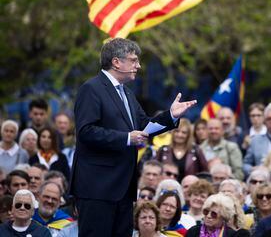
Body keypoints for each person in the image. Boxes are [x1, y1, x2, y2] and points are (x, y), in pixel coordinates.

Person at [71, 38, 196, 237]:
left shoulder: (126, 93)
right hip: (97, 189)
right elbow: (86, 131)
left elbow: (144, 125)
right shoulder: (91, 89)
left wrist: (171, 115)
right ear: (116, 62)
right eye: (133, 60)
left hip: (123, 189)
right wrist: (126, 138)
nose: (138, 65)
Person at [243, 102, 271, 175]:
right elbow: (245, 165)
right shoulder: (255, 141)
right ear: (265, 121)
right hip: (263, 181)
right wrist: (253, 169)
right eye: (269, 119)